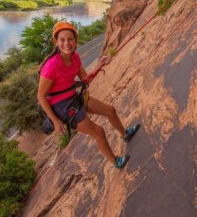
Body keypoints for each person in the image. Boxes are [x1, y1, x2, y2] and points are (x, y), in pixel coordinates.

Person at [37, 21, 140, 169]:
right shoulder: (51, 66)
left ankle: (125, 134)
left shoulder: (75, 57)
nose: (67, 43)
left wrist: (100, 65)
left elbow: (85, 80)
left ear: (75, 40)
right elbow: (41, 96)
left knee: (110, 110)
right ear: (56, 42)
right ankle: (115, 161)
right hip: (63, 108)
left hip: (73, 97)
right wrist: (55, 120)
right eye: (62, 40)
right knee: (99, 132)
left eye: (70, 39)